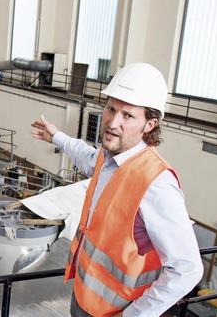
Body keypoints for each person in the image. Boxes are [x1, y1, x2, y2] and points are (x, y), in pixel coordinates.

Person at [31, 63, 203, 317]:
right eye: (111, 109)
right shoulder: (109, 156)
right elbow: (87, 157)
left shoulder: (157, 184)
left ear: (150, 124)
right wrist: (56, 137)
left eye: (128, 115)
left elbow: (187, 269)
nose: (113, 122)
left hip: (116, 311)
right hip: (83, 297)